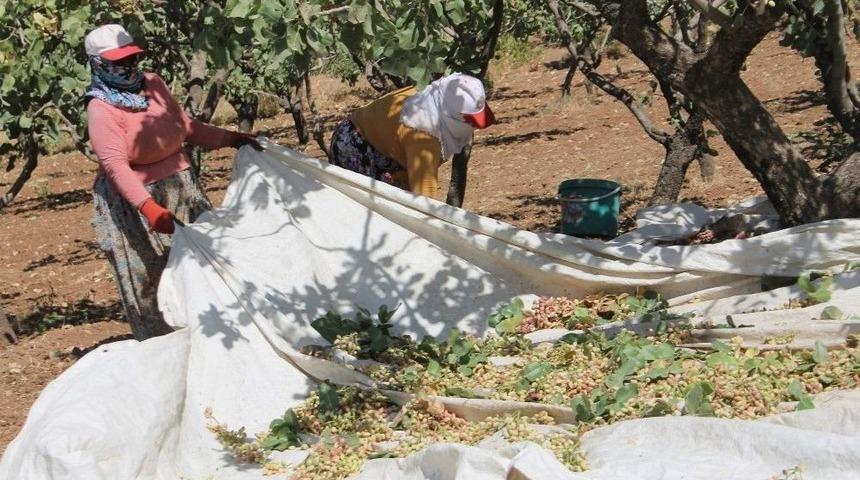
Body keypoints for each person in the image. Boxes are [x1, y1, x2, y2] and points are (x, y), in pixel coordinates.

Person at [84, 24, 261, 340]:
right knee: (156, 279)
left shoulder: (152, 84)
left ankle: (223, 337)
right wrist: (149, 209)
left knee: (207, 265)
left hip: (181, 188)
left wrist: (230, 138)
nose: (127, 67)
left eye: (130, 59)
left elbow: (185, 126)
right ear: (98, 64)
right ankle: (170, 349)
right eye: (118, 62)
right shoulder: (101, 108)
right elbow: (115, 166)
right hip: (137, 201)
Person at [329, 73, 495, 198]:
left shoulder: (435, 95)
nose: (473, 128)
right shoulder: (424, 137)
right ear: (450, 116)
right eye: (470, 121)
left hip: (383, 145)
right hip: (355, 147)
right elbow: (425, 200)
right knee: (374, 215)